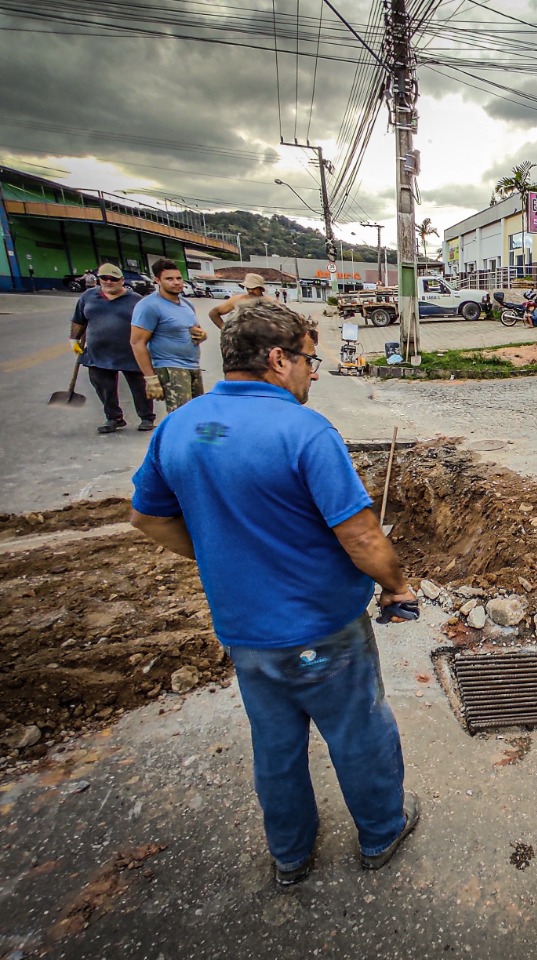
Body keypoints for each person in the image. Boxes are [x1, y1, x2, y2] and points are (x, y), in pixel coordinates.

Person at [129, 300, 421, 887]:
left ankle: (290, 855)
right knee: (359, 733)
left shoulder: (180, 424)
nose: (315, 371)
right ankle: (381, 833)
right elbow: (361, 534)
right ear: (278, 357)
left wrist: (219, 552)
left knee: (276, 746)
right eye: (311, 359)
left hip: (245, 632)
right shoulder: (304, 430)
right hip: (322, 629)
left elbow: (148, 518)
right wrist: (397, 586)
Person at [68, 263, 155, 434]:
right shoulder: (88, 296)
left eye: (113, 279)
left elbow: (148, 324)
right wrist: (73, 339)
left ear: (122, 280)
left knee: (139, 387)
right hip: (98, 353)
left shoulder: (136, 300)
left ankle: (146, 417)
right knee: (103, 386)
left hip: (130, 353)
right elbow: (79, 319)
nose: (108, 281)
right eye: (104, 278)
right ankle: (113, 417)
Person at [130, 259, 207, 412]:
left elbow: (194, 328)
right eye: (169, 279)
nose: (176, 282)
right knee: (180, 415)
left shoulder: (186, 303)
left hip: (192, 365)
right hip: (170, 366)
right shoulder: (149, 306)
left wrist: (202, 335)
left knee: (197, 413)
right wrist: (150, 378)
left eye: (178, 278)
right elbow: (137, 343)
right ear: (157, 280)